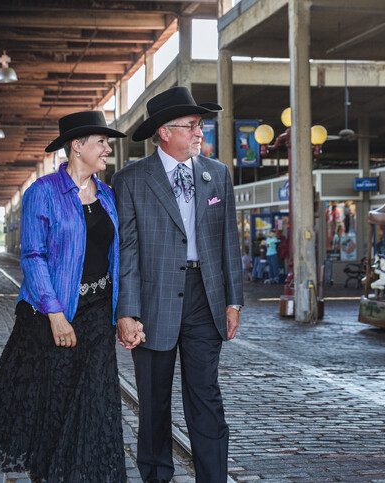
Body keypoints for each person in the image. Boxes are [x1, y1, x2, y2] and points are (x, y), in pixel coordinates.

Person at [0, 111, 138, 482]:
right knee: (52, 407)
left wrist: (125, 312)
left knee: (96, 407)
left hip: (97, 315)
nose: (108, 148)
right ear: (77, 146)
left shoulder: (107, 195)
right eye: (101, 142)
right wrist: (55, 314)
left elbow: (117, 257)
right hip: (50, 316)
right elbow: (33, 256)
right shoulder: (43, 192)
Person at [112, 86, 244, 483]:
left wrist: (234, 301)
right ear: (165, 132)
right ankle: (156, 477)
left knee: (206, 397)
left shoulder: (217, 174)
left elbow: (228, 242)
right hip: (153, 305)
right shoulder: (131, 180)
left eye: (200, 124)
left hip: (206, 299)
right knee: (153, 403)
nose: (199, 131)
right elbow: (127, 253)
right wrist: (127, 312)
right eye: (191, 125)